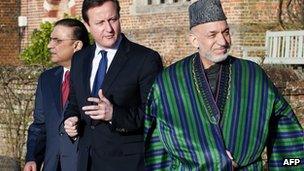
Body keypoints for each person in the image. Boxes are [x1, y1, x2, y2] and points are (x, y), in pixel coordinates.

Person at [144, 0, 304, 170]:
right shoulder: (169, 82)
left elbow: (286, 129)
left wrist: (289, 164)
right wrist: (216, 161)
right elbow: (157, 146)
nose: (223, 41)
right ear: (194, 40)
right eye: (212, 35)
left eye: (226, 32)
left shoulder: (252, 75)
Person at [63, 0, 163, 170]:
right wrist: (70, 120)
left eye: (113, 19)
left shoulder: (145, 59)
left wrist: (113, 114)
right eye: (100, 22)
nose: (109, 29)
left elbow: (155, 113)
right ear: (87, 25)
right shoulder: (79, 58)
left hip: (127, 163)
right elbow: (74, 101)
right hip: (86, 161)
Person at [24, 18, 90, 171]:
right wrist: (32, 158)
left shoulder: (93, 77)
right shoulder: (46, 79)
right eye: (50, 39)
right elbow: (39, 125)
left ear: (77, 45)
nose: (49, 45)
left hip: (83, 164)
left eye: (57, 40)